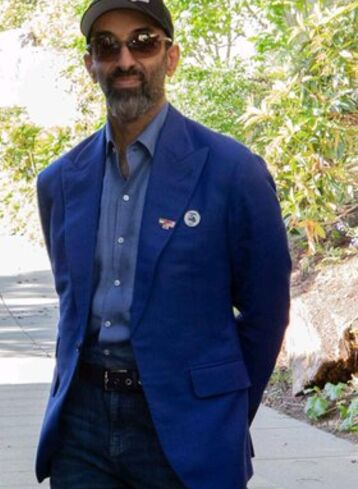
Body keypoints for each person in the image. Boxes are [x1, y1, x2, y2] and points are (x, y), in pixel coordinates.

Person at [34, 1, 291, 488]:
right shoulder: (60, 182)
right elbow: (71, 305)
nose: (125, 59)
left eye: (143, 42)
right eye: (107, 46)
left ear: (169, 57)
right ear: (91, 63)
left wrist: (222, 412)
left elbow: (267, 313)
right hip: (82, 428)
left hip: (185, 427)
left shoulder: (233, 173)